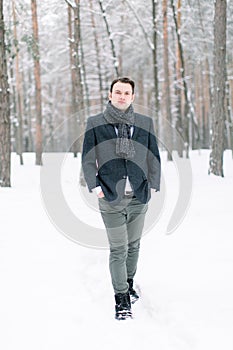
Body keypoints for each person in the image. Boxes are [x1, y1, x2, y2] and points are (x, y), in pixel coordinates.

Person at [82, 77, 161, 320]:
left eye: (127, 93)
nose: (122, 96)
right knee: (119, 249)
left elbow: (153, 156)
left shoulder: (145, 123)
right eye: (118, 92)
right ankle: (121, 298)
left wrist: (153, 183)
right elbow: (87, 158)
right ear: (110, 95)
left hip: (139, 195)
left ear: (133, 97)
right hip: (110, 196)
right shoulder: (95, 123)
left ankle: (127, 282)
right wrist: (96, 187)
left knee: (134, 246)